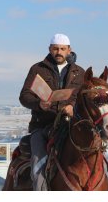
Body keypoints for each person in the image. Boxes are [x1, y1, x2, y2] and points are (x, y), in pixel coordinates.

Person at [19, 33, 85, 190]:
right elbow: (24, 96)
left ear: (69, 50)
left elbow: (83, 99)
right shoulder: (37, 69)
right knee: (39, 165)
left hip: (69, 125)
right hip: (42, 126)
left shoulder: (80, 72)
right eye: (55, 49)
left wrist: (72, 107)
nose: (59, 52)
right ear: (49, 49)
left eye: (62, 49)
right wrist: (39, 104)